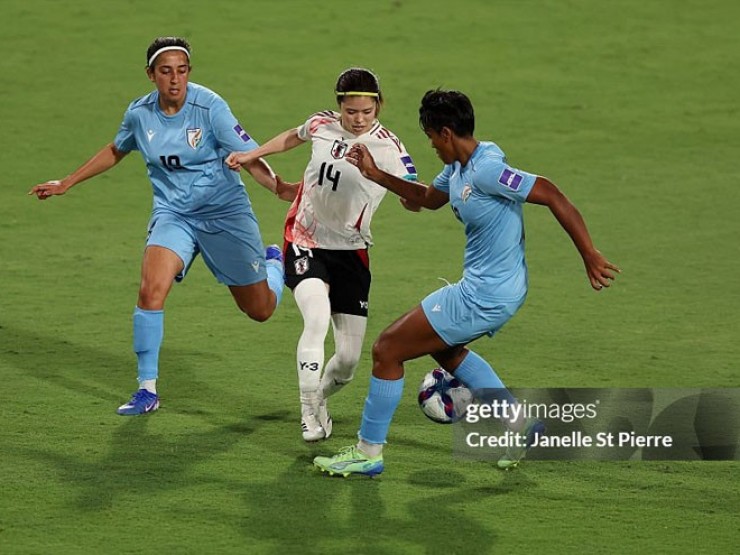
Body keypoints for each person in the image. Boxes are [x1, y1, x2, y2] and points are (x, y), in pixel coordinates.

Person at [313, 89, 620, 475]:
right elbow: (428, 198)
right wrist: (376, 175)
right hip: (486, 288)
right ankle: (518, 424)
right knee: (445, 349)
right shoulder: (458, 168)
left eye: (431, 137)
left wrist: (589, 254)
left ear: (445, 133)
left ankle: (367, 453)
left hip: (486, 294)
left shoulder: (487, 169)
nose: (431, 146)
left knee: (387, 349)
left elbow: (553, 195)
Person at [28, 37, 285, 416]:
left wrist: (279, 188)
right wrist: (67, 182)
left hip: (224, 213)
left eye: (181, 71)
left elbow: (249, 155)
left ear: (189, 73)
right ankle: (146, 389)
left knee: (259, 310)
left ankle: (274, 264)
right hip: (174, 215)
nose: (175, 79)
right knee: (151, 289)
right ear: (151, 75)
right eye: (166, 71)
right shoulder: (139, 114)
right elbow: (116, 148)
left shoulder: (210, 107)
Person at [226, 68, 418, 441]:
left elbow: (413, 194)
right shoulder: (321, 124)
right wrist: (254, 153)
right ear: (339, 106)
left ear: (379, 106)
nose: (358, 119)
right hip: (305, 240)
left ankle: (318, 400)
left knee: (347, 362)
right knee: (315, 320)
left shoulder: (390, 149)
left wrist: (398, 191)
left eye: (367, 112)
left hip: (352, 253)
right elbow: (292, 136)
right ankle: (307, 413)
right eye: (351, 111)